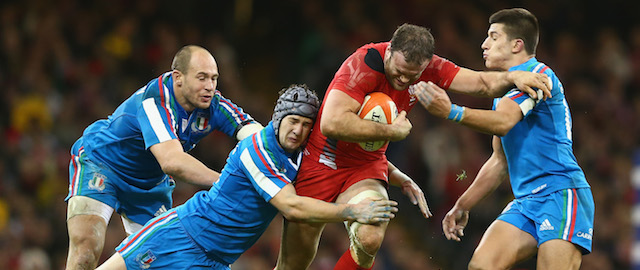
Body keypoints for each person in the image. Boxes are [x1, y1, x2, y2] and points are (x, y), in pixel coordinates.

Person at [275, 23, 553, 270]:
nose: (404, 81)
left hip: (365, 166)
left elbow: (480, 82)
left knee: (370, 235)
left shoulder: (430, 67)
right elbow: (332, 123)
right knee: (294, 263)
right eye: (399, 72)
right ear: (389, 53)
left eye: (413, 75)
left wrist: (514, 76)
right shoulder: (363, 63)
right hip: (323, 161)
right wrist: (391, 131)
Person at [94, 84, 398, 270]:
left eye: (307, 125)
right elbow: (292, 207)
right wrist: (350, 211)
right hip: (180, 234)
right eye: (293, 121)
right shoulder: (256, 149)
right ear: (278, 119)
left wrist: (396, 176)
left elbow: (350, 161)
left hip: (216, 262)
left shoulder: (301, 154)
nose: (299, 131)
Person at [416, 8, 594, 269]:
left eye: (493, 36)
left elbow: (503, 123)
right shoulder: (505, 92)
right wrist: (463, 204)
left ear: (516, 45)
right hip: (526, 203)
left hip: (561, 194)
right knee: (481, 265)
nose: (484, 44)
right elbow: (499, 161)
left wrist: (451, 111)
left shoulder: (537, 74)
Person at [65, 45, 264, 270]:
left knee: (155, 263)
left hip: (150, 185)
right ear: (178, 77)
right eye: (201, 78)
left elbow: (254, 133)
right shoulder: (156, 100)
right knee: (86, 250)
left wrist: (277, 152)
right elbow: (172, 162)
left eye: (213, 79)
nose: (209, 86)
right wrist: (225, 181)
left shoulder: (214, 105)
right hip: (102, 163)